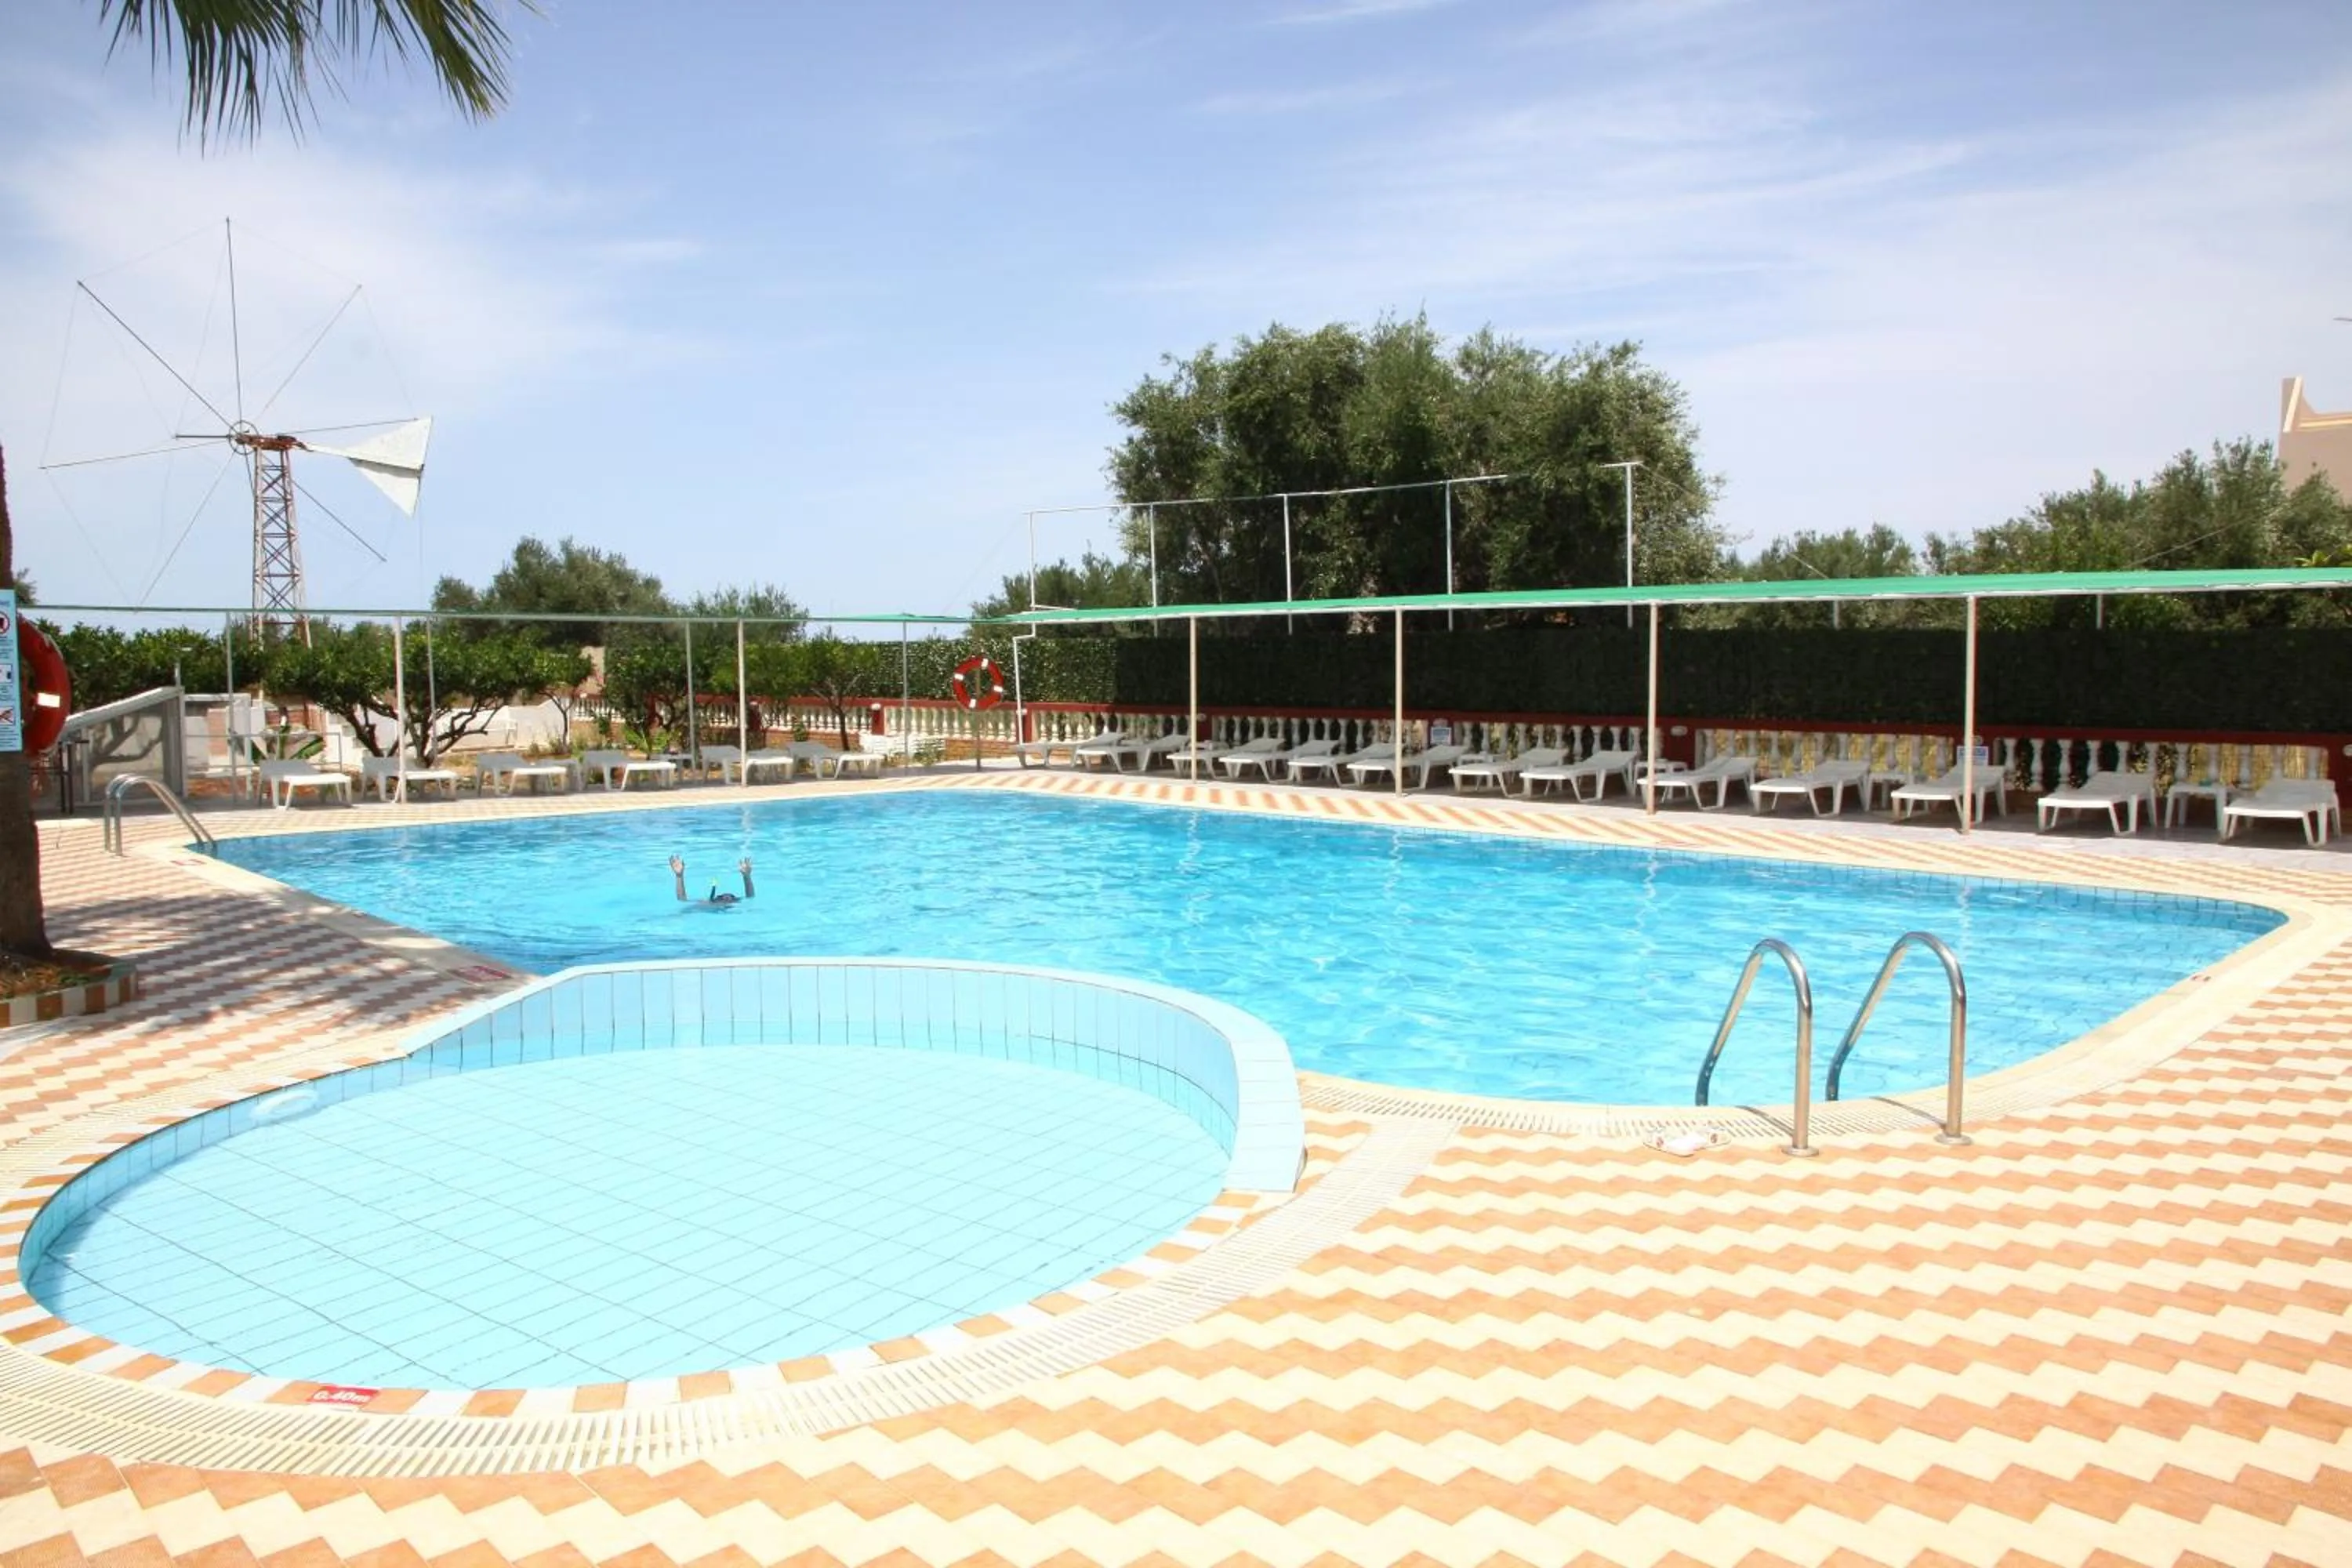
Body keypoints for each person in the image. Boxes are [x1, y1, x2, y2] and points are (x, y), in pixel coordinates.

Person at [670, 855, 755, 906]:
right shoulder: (707, 904)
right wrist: (679, 876)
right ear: (717, 899)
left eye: (729, 899)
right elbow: (682, 899)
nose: (727, 900)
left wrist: (747, 876)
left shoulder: (733, 904)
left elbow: (750, 897)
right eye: (725, 898)